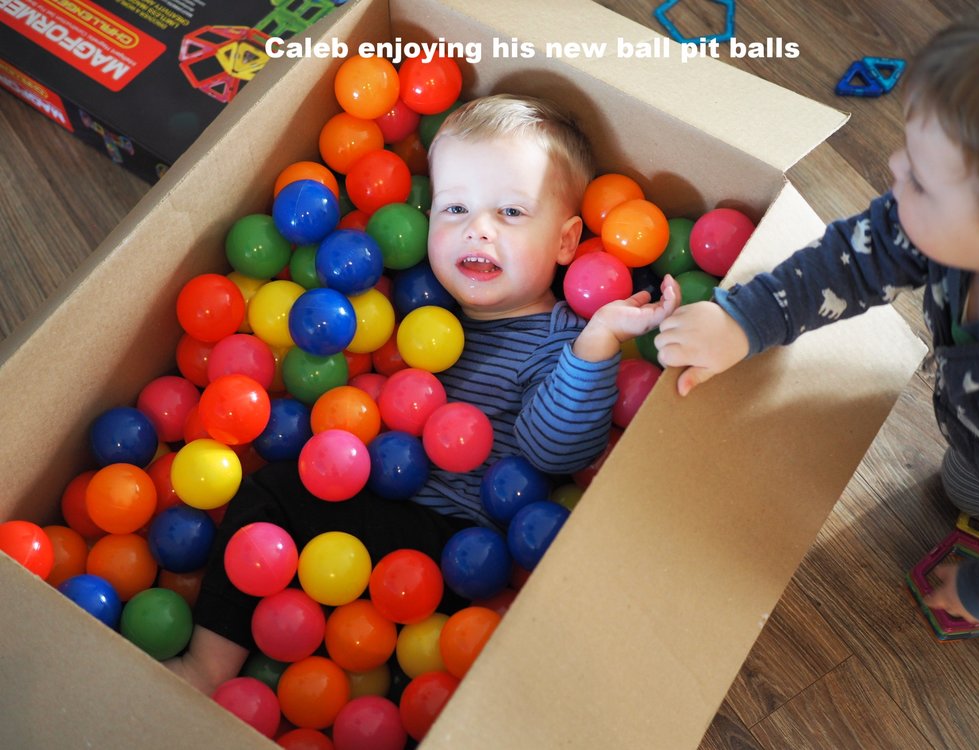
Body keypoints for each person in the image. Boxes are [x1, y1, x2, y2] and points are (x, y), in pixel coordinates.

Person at [167, 94, 676, 694]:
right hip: (368, 499)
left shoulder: (563, 338)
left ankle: (215, 674)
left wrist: (598, 343)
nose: (478, 228)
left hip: (454, 545)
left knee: (434, 668)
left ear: (567, 243)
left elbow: (555, 451)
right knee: (278, 490)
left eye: (511, 212)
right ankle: (210, 667)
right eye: (454, 207)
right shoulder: (411, 307)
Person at [653, 14, 979, 631]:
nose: (894, 169)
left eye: (919, 178)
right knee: (964, 485)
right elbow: (856, 259)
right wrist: (746, 320)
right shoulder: (946, 234)